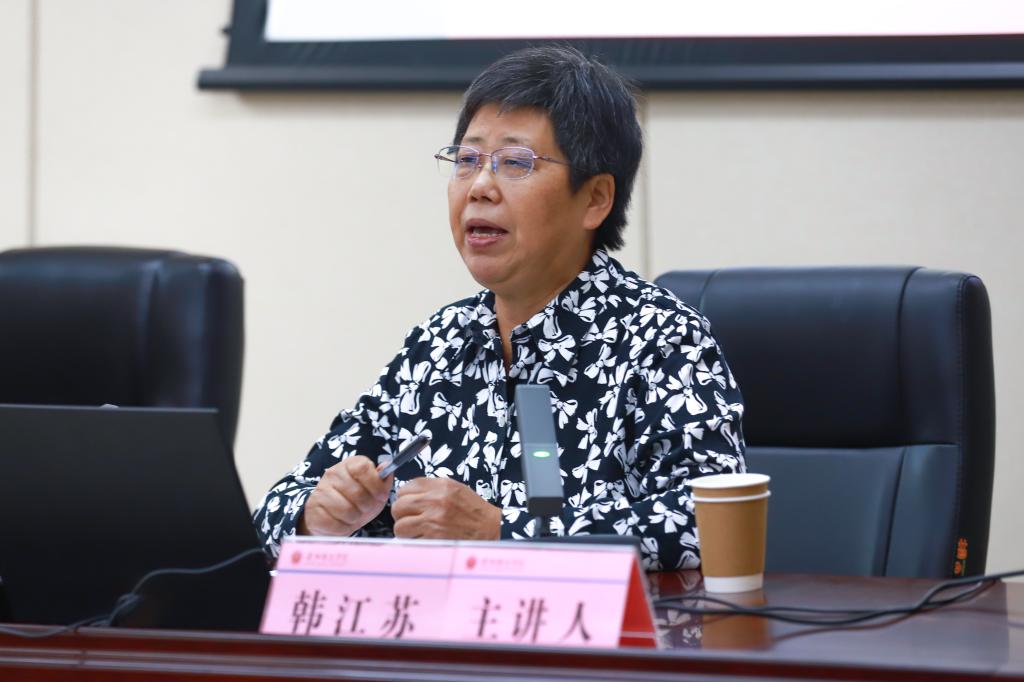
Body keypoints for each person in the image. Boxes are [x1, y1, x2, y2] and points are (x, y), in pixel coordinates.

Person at [253, 45, 745, 571]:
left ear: (595, 198)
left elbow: (710, 519)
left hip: (597, 625)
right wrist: (316, 519)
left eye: (515, 163)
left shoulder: (660, 336)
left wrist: (501, 533)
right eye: (467, 161)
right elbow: (274, 511)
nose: (480, 187)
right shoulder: (440, 344)